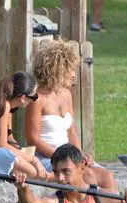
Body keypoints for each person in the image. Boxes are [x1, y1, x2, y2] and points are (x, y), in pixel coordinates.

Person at [25, 39, 116, 188]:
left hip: (70, 155)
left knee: (107, 175)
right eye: (69, 69)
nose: (74, 74)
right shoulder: (37, 99)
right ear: (56, 70)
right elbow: (33, 139)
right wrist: (64, 157)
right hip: (49, 158)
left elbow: (72, 132)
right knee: (88, 176)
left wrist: (78, 156)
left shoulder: (66, 94)